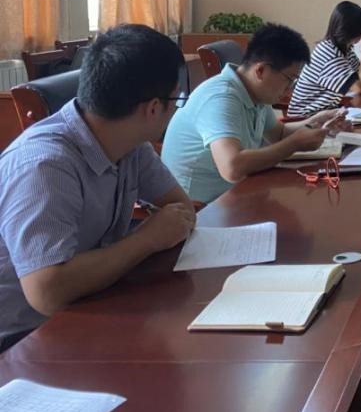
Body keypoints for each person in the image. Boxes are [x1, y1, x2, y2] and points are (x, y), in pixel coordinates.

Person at [0, 24, 196, 351]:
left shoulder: (131, 144)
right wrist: (147, 238)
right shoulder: (44, 166)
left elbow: (182, 211)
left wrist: (155, 234)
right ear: (152, 108)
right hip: (22, 340)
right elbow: (47, 292)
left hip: (90, 306)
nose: (177, 109)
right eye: (177, 99)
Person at [162, 23, 343, 204]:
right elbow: (232, 168)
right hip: (199, 208)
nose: (290, 89)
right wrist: (294, 144)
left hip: (234, 196)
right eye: (289, 80)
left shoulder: (256, 93)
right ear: (261, 70)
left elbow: (279, 134)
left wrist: (315, 122)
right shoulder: (221, 97)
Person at [288, 1, 361, 118]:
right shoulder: (330, 54)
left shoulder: (344, 49)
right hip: (305, 119)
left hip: (324, 115)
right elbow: (360, 88)